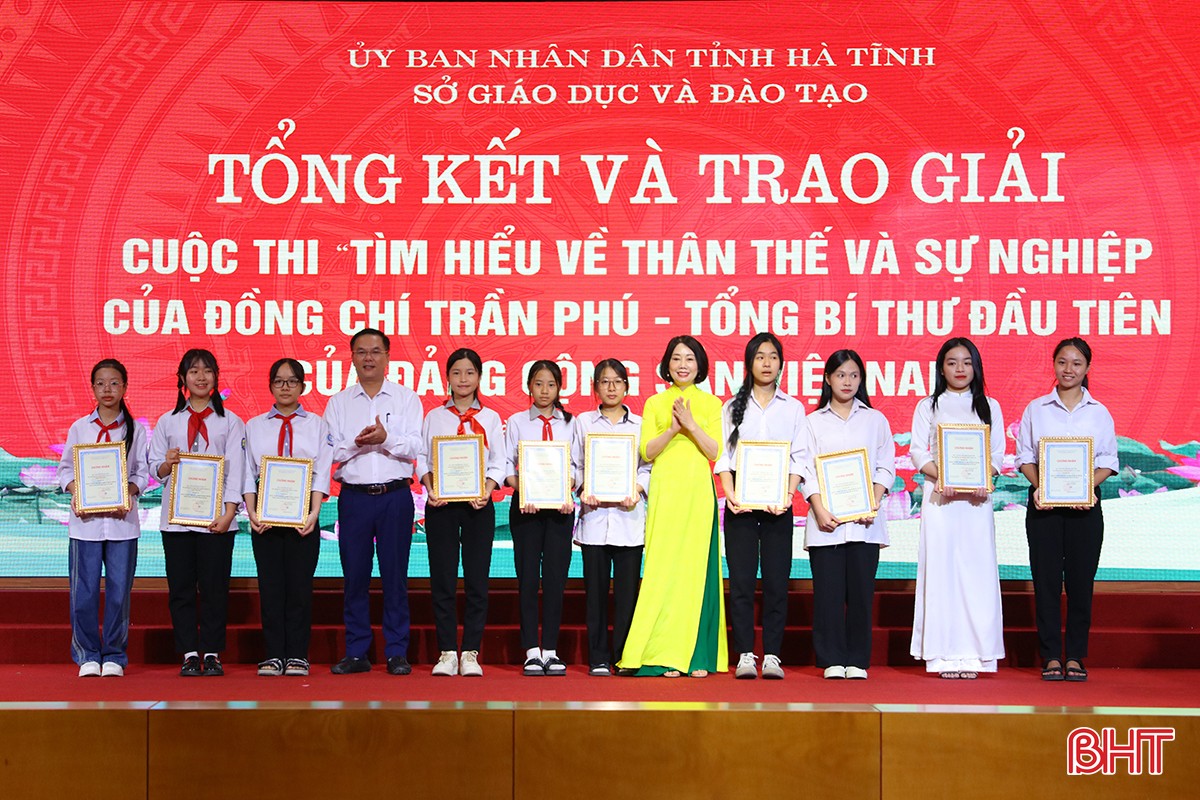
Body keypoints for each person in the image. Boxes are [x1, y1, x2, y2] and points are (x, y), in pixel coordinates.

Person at [618, 335, 727, 677]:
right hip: (665, 491)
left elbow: (715, 451)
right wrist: (672, 429)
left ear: (700, 365)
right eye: (677, 358)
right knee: (662, 571)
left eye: (690, 359)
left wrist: (691, 425)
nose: (683, 365)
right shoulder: (654, 403)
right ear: (667, 364)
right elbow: (647, 451)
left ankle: (696, 657)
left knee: (694, 571)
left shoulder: (711, 404)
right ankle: (662, 653)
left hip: (697, 492)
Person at [1016, 337, 1118, 682]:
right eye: (1062, 362)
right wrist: (1042, 488)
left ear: (1087, 368)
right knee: (1045, 582)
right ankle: (1050, 656)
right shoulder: (1036, 409)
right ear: (1054, 365)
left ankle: (1074, 655)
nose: (1069, 369)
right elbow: (1025, 457)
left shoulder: (1099, 412)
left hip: (1085, 507)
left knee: (1080, 582)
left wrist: (1086, 487)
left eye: (1076, 363)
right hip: (1043, 506)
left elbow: (1108, 461)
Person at [324, 328, 422, 676]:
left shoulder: (406, 398)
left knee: (395, 577)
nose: (369, 358)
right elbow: (331, 451)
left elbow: (416, 446)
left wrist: (386, 438)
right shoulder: (338, 402)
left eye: (376, 351)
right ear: (352, 358)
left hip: (395, 497)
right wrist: (360, 442)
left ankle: (396, 652)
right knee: (355, 577)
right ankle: (357, 651)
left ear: (387, 357)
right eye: (362, 352)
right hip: (355, 499)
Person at [909, 338, 1005, 679]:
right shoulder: (928, 406)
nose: (960, 369)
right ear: (941, 368)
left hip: (977, 503)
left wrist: (984, 476)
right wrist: (942, 475)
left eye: (966, 362)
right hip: (941, 500)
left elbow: (997, 454)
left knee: (977, 575)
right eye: (952, 362)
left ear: (976, 366)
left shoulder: (989, 406)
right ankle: (942, 656)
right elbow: (918, 451)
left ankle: (978, 656)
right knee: (942, 573)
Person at [149, 348, 245, 677]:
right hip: (176, 522)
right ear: (183, 379)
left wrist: (230, 513)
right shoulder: (168, 421)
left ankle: (213, 652)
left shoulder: (231, 421)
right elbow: (155, 468)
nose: (201, 377)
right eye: (194, 371)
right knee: (181, 588)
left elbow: (237, 470)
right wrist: (167, 463)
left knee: (215, 589)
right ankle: (190, 653)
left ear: (216, 377)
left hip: (217, 520)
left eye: (207, 371)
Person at [714, 333, 804, 680]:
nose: (767, 363)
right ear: (749, 363)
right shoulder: (731, 407)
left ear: (781, 363)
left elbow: (799, 457)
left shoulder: (793, 408)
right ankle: (746, 654)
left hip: (779, 502)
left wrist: (788, 495)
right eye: (760, 357)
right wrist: (730, 494)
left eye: (773, 357)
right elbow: (723, 456)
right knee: (741, 582)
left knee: (777, 582)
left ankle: (773, 655)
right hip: (741, 502)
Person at [800, 350, 894, 680]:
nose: (847, 381)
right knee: (827, 595)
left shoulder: (875, 420)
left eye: (854, 375)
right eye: (840, 375)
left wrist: (873, 502)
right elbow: (806, 469)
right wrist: (819, 508)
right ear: (828, 378)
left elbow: (886, 466)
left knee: (861, 594)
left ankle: (857, 659)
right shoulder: (812, 422)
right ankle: (830, 659)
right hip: (826, 523)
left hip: (865, 523)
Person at [243, 358, 334, 677]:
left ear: (302, 387)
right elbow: (247, 473)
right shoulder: (254, 425)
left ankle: (297, 655)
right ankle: (273, 655)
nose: (285, 387)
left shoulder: (318, 425)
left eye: (292, 381)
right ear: (270, 386)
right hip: (265, 517)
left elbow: (322, 471)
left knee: (299, 587)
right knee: (270, 587)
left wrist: (314, 513)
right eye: (279, 381)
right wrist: (252, 512)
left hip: (304, 517)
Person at [57, 359, 148, 677]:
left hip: (123, 525)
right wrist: (77, 491)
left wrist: (128, 493)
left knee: (119, 593)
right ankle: (86, 655)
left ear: (124, 387)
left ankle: (114, 655)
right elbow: (65, 469)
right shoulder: (80, 428)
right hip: (86, 526)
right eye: (100, 383)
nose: (107, 389)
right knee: (83, 593)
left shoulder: (135, 430)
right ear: (93, 387)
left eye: (114, 383)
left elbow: (142, 473)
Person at [418, 348, 505, 677]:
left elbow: (499, 460)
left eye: (469, 373)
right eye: (456, 373)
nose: (463, 379)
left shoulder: (491, 418)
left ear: (479, 377)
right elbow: (422, 458)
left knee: (476, 580)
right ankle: (446, 653)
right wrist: (430, 488)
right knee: (442, 579)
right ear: (447, 378)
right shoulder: (434, 417)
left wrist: (487, 489)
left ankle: (470, 652)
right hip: (441, 506)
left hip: (477, 507)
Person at [571, 359, 649, 676]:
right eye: (605, 381)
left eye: (617, 381)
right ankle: (599, 657)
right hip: (594, 521)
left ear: (627, 387)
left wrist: (637, 488)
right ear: (595, 388)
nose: (611, 387)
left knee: (628, 596)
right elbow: (576, 464)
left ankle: (624, 656)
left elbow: (648, 467)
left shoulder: (641, 425)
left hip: (629, 521)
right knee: (596, 595)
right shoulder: (583, 422)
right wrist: (583, 487)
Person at [505, 360, 576, 676]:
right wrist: (525, 489)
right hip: (527, 510)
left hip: (560, 511)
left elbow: (578, 466)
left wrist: (567, 489)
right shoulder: (516, 422)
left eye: (550, 384)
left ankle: (551, 650)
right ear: (528, 387)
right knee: (528, 579)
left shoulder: (571, 423)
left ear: (559, 387)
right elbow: (505, 466)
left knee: (555, 581)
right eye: (538, 383)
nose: (544, 390)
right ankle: (531, 651)